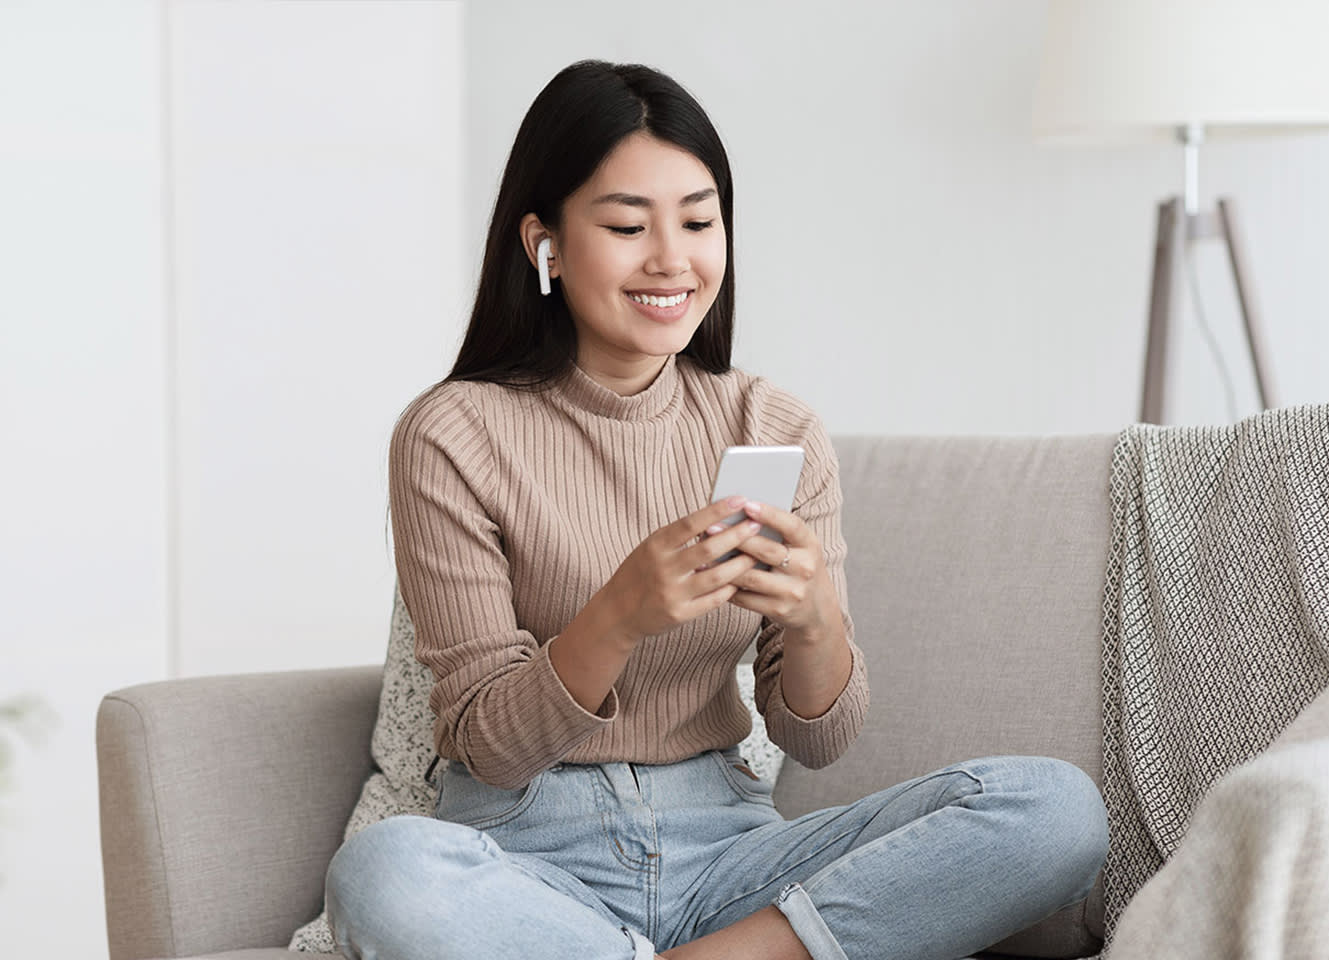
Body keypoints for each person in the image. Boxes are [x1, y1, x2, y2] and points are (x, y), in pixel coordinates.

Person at [323, 59, 1109, 960]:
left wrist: (815, 621)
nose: (672, 259)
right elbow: (489, 746)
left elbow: (818, 740)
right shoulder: (451, 434)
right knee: (382, 875)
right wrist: (620, 614)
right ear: (543, 242)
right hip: (528, 854)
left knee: (1054, 809)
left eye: (699, 221)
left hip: (729, 854)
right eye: (626, 225)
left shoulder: (774, 425)